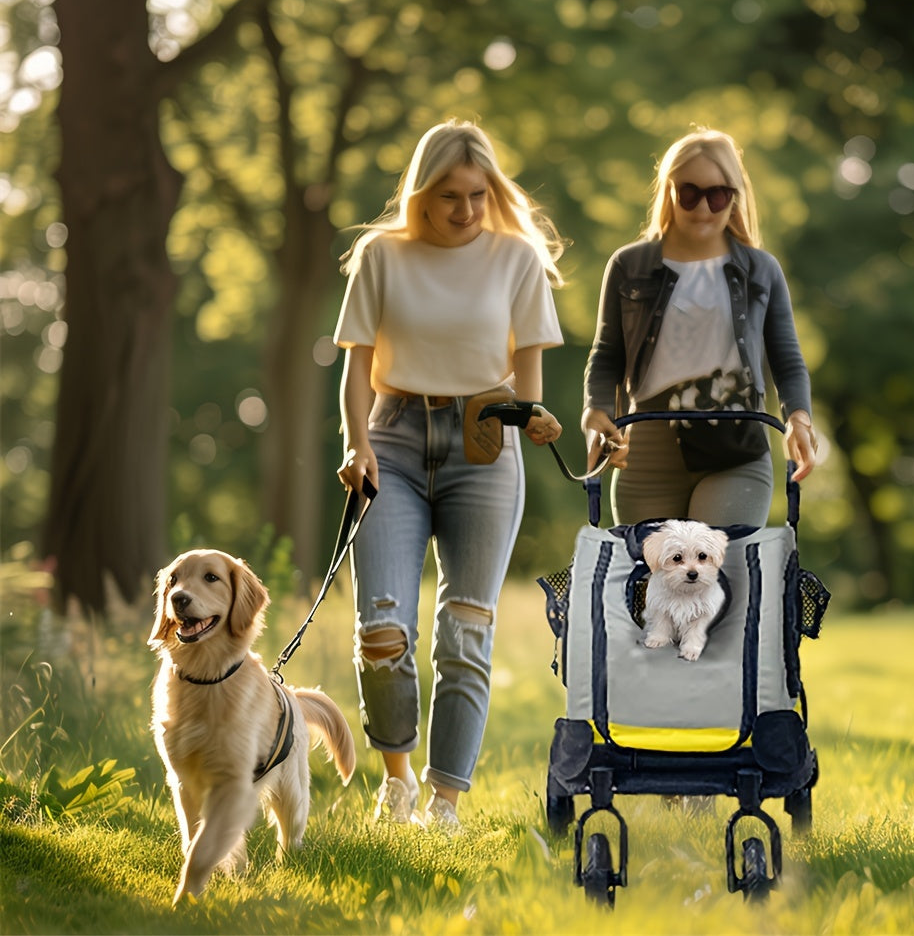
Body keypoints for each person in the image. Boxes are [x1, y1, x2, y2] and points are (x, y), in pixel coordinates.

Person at [333, 119, 565, 830]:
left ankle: (445, 803)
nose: (465, 210)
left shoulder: (515, 258)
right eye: (448, 196)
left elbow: (527, 374)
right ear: (420, 194)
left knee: (466, 630)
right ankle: (396, 778)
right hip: (392, 439)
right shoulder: (382, 256)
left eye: (476, 194)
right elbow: (356, 369)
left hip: (484, 441)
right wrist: (356, 444)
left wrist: (535, 417)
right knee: (382, 632)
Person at [582, 127, 817, 529]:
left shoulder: (762, 269)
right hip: (649, 444)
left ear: (735, 197)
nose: (704, 208)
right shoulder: (628, 265)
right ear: (669, 192)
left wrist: (799, 418)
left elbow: (787, 360)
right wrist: (596, 414)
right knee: (653, 582)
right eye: (689, 193)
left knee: (713, 577)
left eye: (718, 194)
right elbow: (607, 355)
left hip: (737, 445)